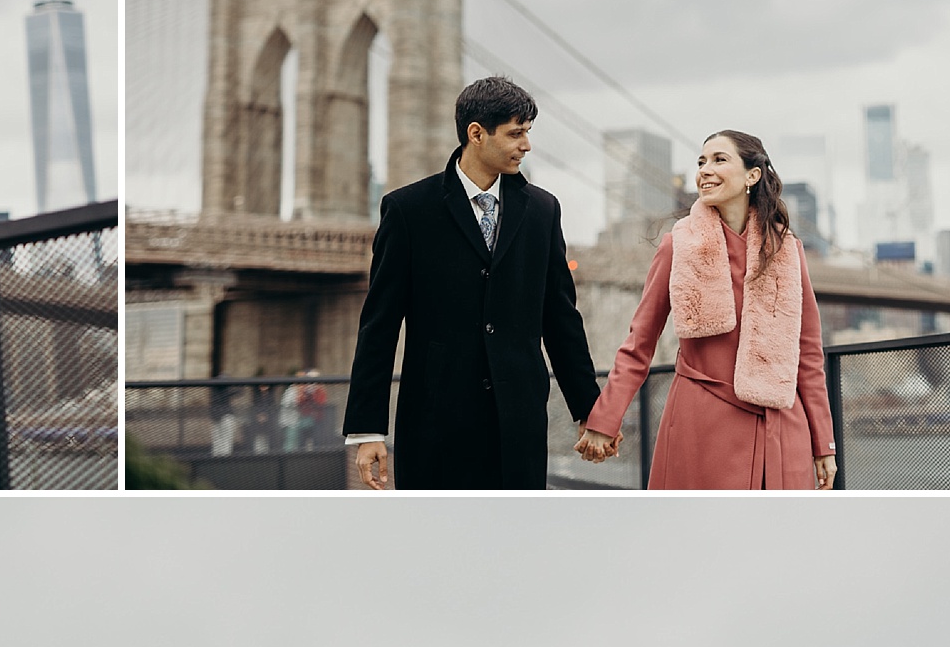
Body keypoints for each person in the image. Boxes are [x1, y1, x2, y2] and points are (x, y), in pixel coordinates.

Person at [342, 76, 607, 491]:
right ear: (476, 134)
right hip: (434, 425)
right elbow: (379, 324)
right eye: (516, 133)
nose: (527, 145)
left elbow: (560, 319)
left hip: (518, 425)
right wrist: (367, 429)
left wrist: (590, 408)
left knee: (516, 545)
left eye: (528, 133)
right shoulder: (409, 210)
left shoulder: (542, 210)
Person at [578, 130, 838, 487]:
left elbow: (807, 353)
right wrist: (604, 421)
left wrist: (823, 443)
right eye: (701, 161)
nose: (705, 170)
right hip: (701, 430)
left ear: (752, 175)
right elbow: (640, 343)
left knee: (780, 540)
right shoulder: (677, 247)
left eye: (719, 159)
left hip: (780, 429)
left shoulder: (787, 251)